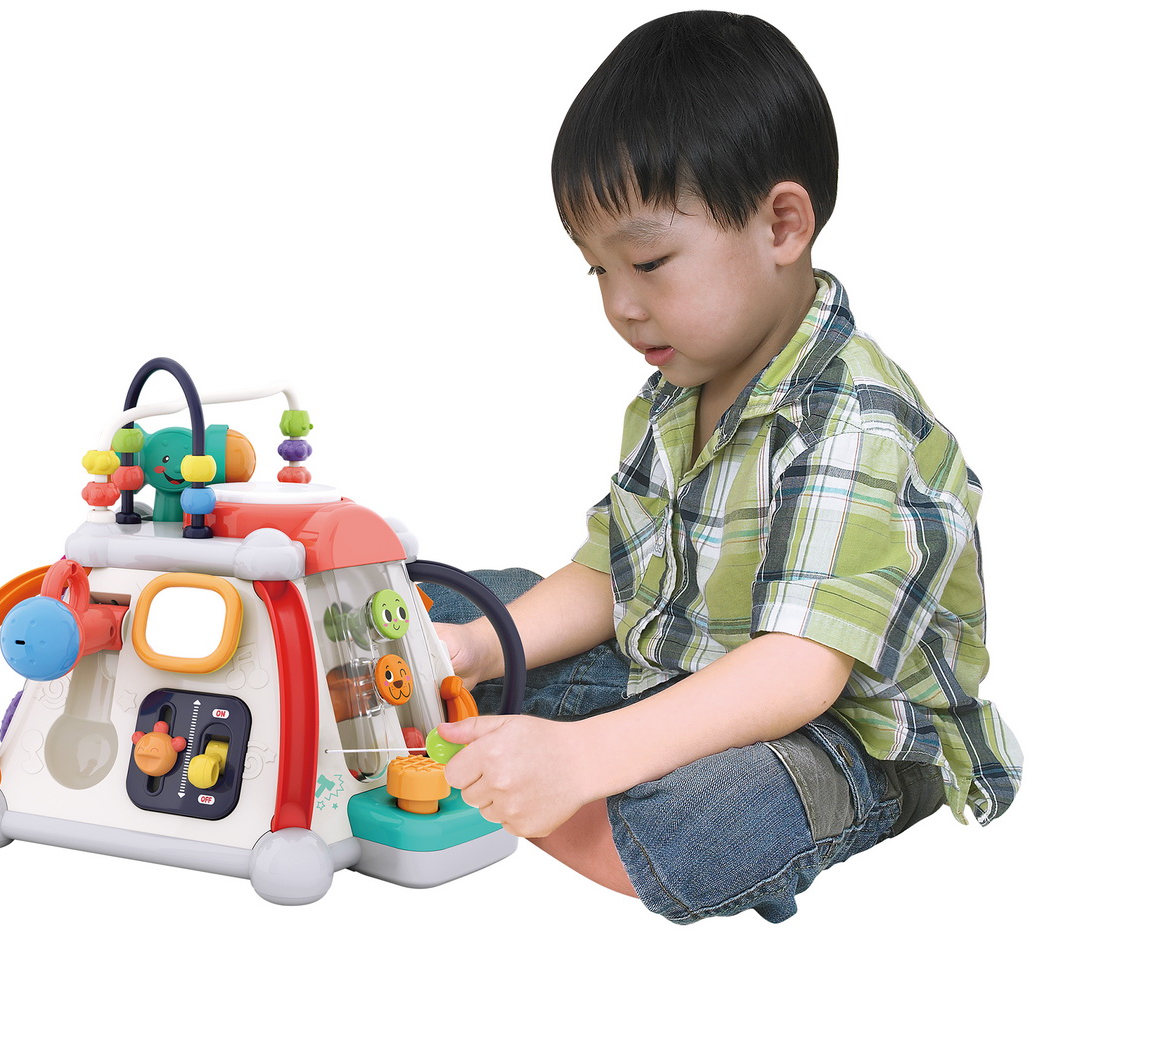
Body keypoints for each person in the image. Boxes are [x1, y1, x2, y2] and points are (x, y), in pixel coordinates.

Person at [431, 9, 1021, 924]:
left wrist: (581, 759)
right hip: (681, 666)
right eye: (597, 272)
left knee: (711, 823)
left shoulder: (857, 419)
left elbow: (796, 673)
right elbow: (613, 574)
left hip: (844, 732)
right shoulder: (677, 389)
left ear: (782, 224)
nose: (622, 306)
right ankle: (517, 760)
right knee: (440, 608)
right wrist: (476, 643)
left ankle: (520, 783)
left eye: (649, 261)